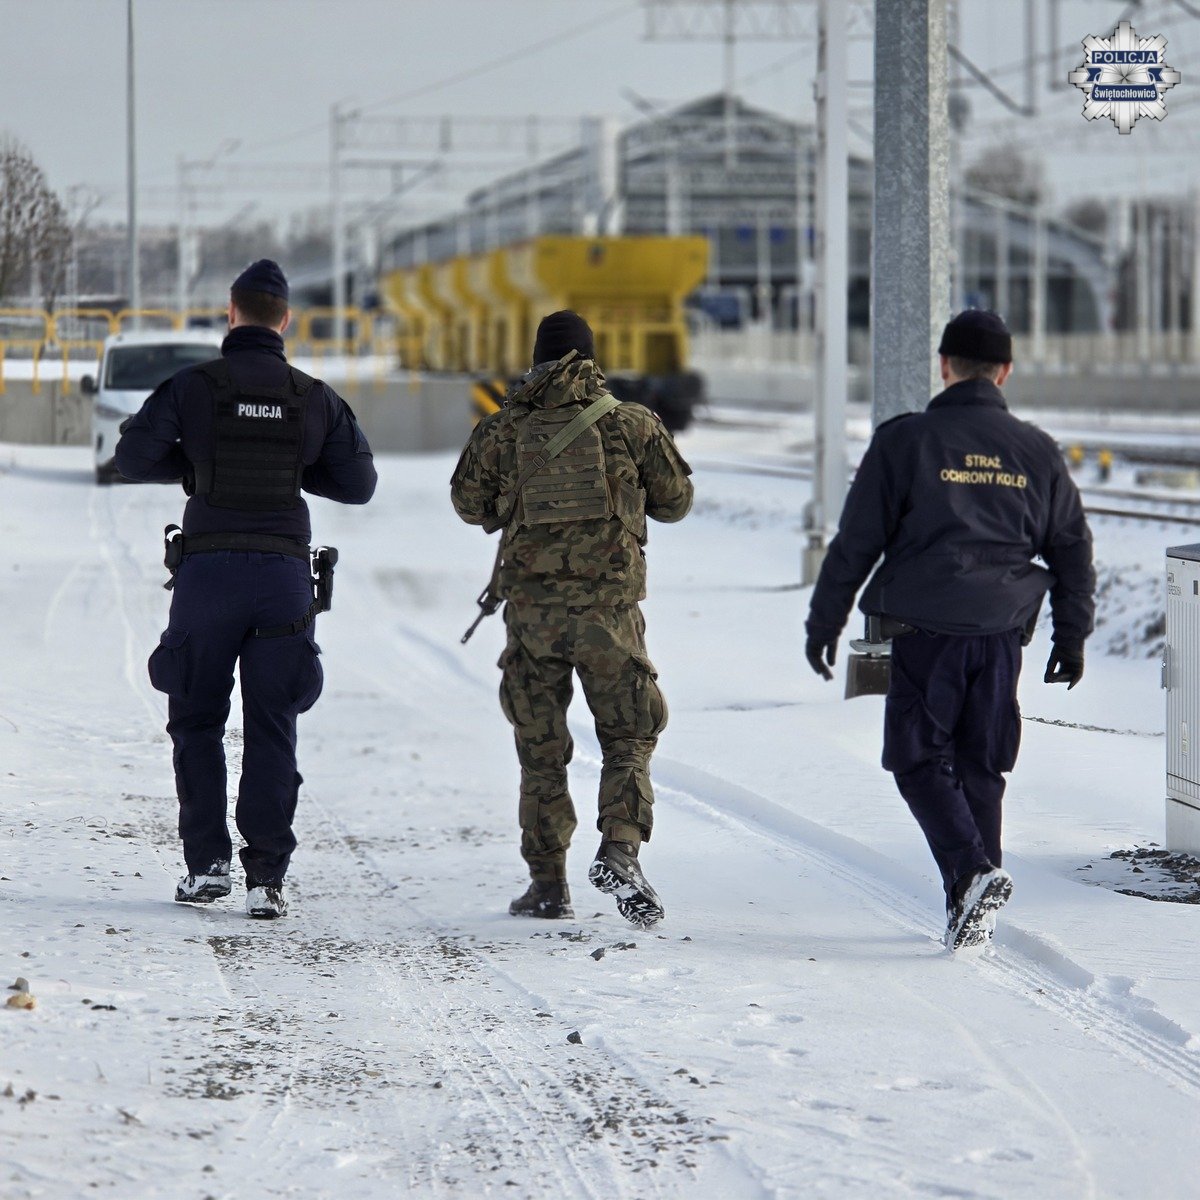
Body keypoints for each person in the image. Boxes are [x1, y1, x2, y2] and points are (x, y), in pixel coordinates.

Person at [804, 310, 1095, 951]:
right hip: (1001, 634)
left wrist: (825, 620)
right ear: (1005, 371)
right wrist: (1071, 636)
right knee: (982, 766)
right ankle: (972, 905)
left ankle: (970, 875)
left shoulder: (906, 441)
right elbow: (1072, 549)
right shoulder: (1037, 451)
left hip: (924, 630)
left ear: (944, 366)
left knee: (916, 757)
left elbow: (857, 541)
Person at [115, 260, 377, 919]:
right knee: (273, 723)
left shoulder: (193, 386)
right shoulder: (312, 396)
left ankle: (207, 865)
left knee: (196, 718)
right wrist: (295, 470)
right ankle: (266, 880)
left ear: (231, 313)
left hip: (208, 576)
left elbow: (131, 458)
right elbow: (359, 484)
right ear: (285, 320)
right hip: (283, 580)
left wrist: (199, 467)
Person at [451, 310, 693, 928]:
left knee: (540, 746)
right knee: (629, 733)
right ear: (591, 358)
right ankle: (621, 848)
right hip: (608, 616)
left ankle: (547, 884)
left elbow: (468, 504)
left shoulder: (503, 427)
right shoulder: (630, 423)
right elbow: (675, 503)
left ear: (536, 360)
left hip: (532, 618)